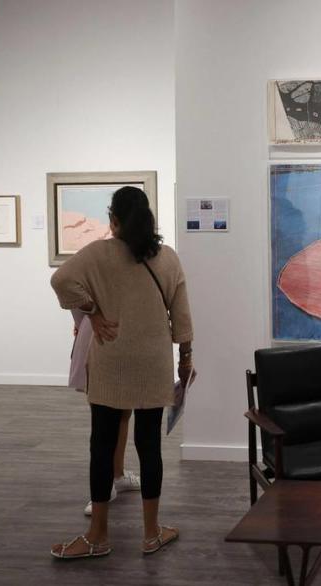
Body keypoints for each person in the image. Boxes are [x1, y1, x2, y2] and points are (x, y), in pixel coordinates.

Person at [49, 186, 194, 559]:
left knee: (101, 445)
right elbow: (181, 318)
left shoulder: (97, 253)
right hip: (153, 363)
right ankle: (151, 533)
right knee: (150, 447)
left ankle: (97, 535)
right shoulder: (168, 258)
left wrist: (92, 312)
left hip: (111, 362)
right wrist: (186, 358)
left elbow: (60, 281)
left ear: (114, 220)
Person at [71, 312, 142, 516]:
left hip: (122, 335)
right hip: (102, 334)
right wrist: (90, 316)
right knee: (102, 412)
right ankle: (103, 488)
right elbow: (65, 281)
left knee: (123, 409)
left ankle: (116, 475)